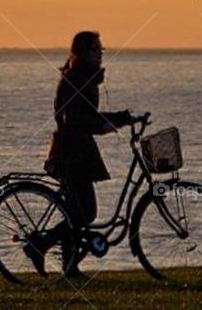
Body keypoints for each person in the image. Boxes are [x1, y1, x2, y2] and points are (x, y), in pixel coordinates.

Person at [26, 30, 132, 278]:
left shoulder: (84, 77)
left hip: (79, 151)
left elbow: (88, 116)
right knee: (83, 212)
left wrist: (122, 118)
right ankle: (41, 245)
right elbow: (75, 118)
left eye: (101, 50)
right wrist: (106, 124)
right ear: (84, 52)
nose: (100, 54)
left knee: (79, 211)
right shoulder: (77, 78)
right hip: (70, 153)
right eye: (96, 49)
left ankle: (69, 266)